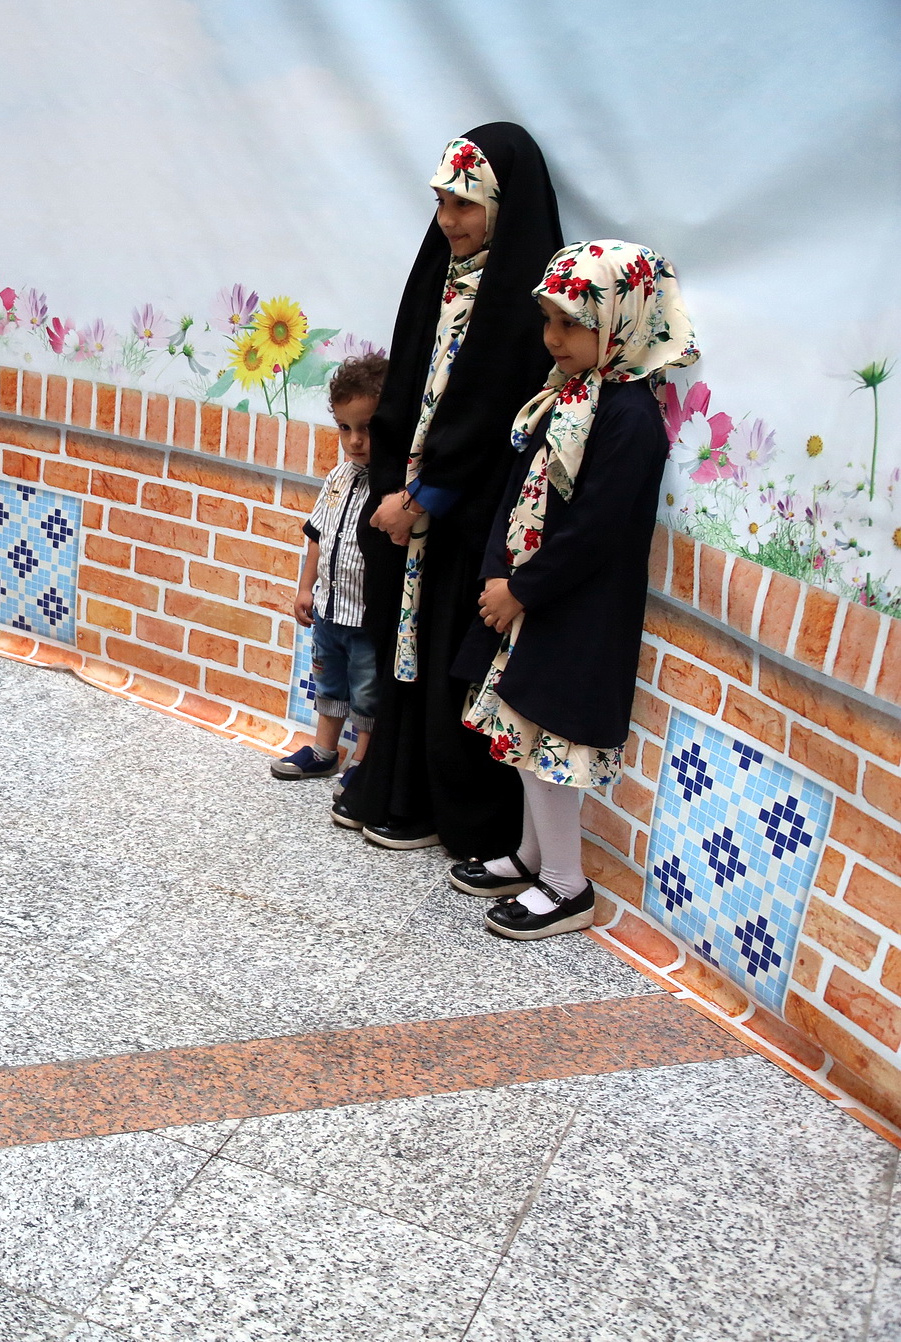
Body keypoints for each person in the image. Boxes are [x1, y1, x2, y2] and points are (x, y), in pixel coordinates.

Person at [447, 241, 697, 939]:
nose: (554, 338)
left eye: (572, 322)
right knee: (522, 731)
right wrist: (498, 570)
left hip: (575, 611)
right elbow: (517, 487)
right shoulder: (565, 397)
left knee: (548, 743)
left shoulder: (630, 418)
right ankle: (534, 856)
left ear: (619, 319)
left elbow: (596, 531)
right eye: (549, 321)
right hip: (531, 601)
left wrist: (523, 590)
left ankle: (567, 885)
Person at [336, 124, 563, 856]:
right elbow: (408, 382)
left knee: (446, 658)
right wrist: (393, 488)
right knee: (400, 648)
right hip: (407, 506)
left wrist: (426, 496)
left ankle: (455, 810)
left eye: (465, 204)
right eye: (440, 202)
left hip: (467, 518)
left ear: (502, 205)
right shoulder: (440, 272)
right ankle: (395, 787)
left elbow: (496, 406)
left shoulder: (525, 297)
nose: (448, 221)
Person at [273, 353, 388, 790]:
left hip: (365, 615)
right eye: (345, 428)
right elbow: (317, 534)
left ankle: (363, 758)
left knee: (366, 690)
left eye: (367, 428)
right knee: (329, 682)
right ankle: (324, 750)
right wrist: (306, 588)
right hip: (328, 608)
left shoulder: (393, 485)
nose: (355, 441)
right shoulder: (338, 476)